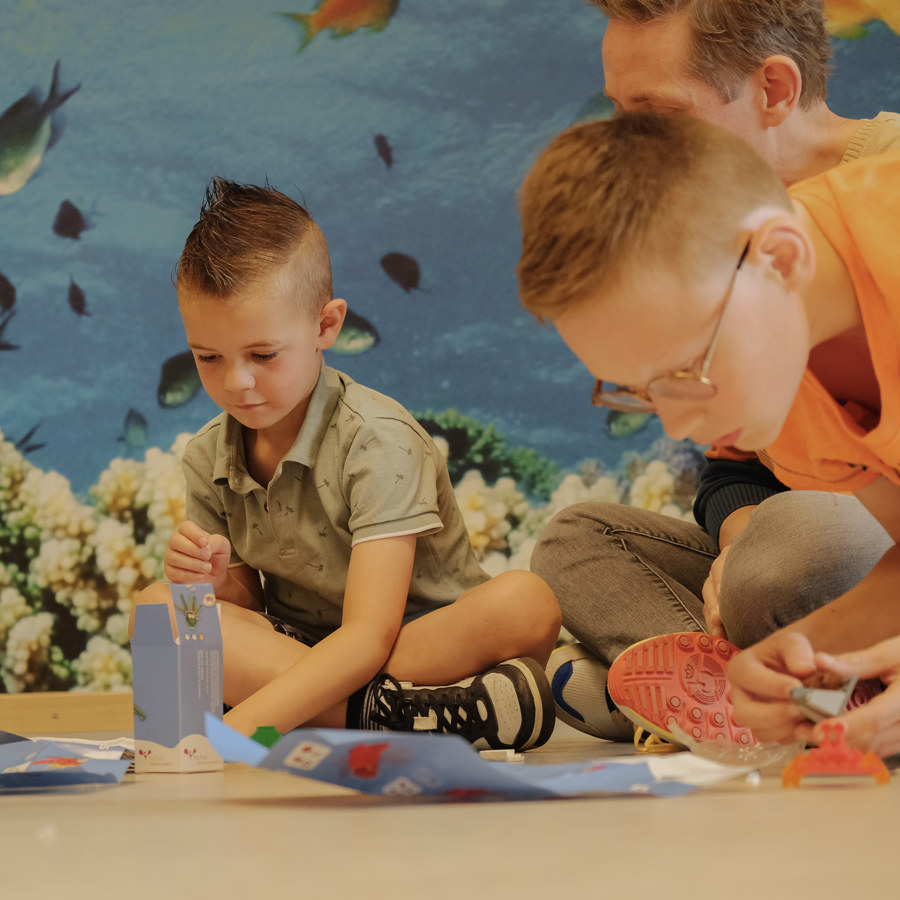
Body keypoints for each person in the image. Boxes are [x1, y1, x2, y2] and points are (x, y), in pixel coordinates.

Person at [531, 0, 900, 746]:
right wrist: (786, 660)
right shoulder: (782, 396)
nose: (676, 423)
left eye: (684, 370)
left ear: (781, 258)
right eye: (638, 391)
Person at [130, 177, 561, 751]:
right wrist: (214, 585)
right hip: (305, 651)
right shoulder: (208, 454)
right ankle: (402, 716)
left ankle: (338, 713)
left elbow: (369, 635)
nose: (237, 382)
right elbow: (251, 613)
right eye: (208, 357)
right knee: (157, 608)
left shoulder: (378, 439)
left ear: (326, 326)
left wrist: (239, 734)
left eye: (263, 354)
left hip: (411, 643)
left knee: (525, 603)